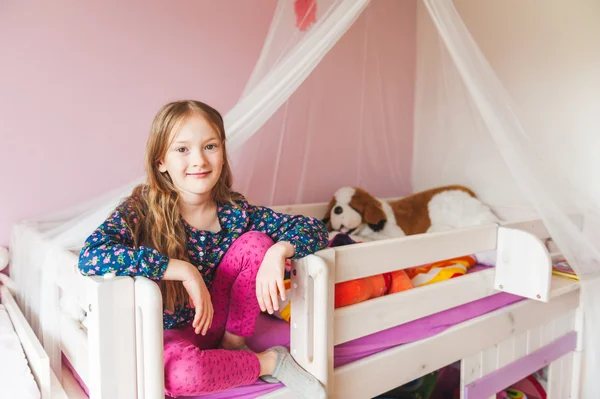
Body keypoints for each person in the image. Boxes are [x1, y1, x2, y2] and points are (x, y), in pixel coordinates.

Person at [78, 100, 329, 398]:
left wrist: (279, 251)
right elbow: (91, 255)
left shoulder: (235, 212)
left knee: (257, 243)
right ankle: (269, 361)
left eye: (210, 146)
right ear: (161, 161)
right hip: (170, 333)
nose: (199, 160)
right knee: (180, 375)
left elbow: (315, 228)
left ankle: (235, 348)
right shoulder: (141, 209)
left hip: (222, 325)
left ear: (223, 153)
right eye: (182, 149)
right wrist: (182, 269)